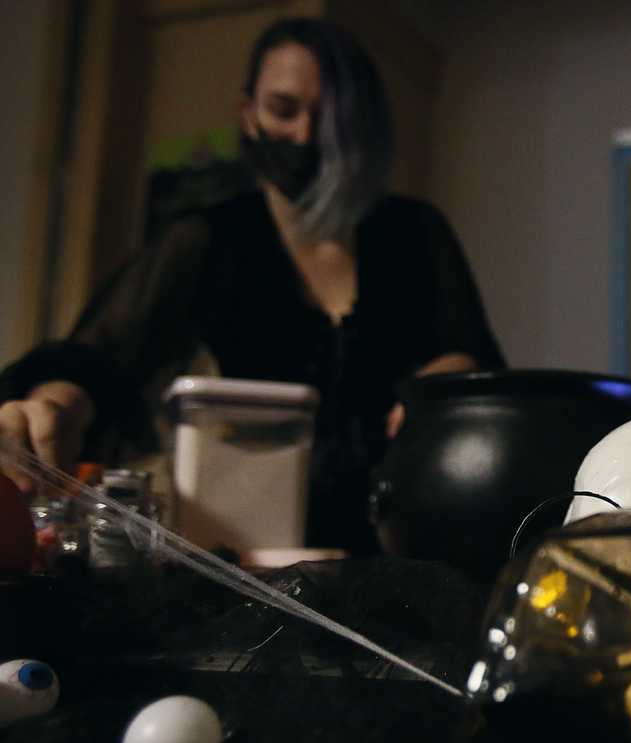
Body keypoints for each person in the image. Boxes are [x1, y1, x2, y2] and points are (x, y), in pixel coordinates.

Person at [0, 17, 505, 554]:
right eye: (283, 110)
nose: (307, 136)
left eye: (330, 115)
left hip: (400, 550)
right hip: (247, 555)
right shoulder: (211, 238)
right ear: (248, 114)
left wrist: (450, 383)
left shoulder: (414, 231)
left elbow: (475, 360)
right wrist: (54, 405)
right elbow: (98, 360)